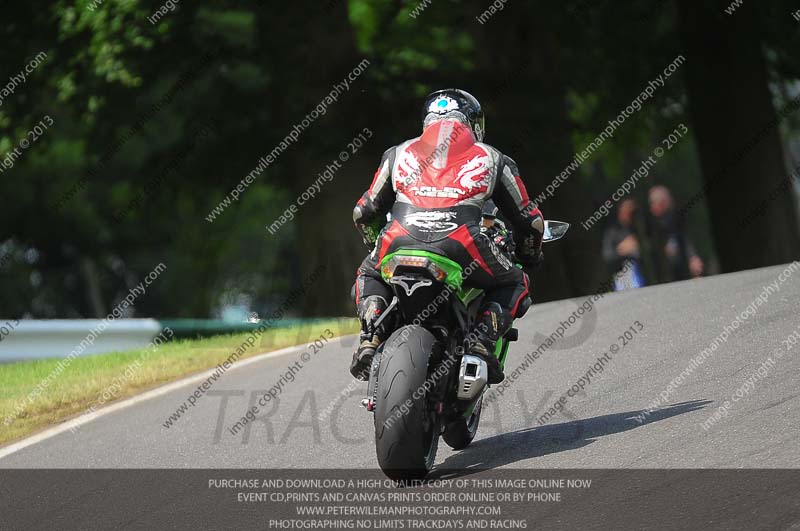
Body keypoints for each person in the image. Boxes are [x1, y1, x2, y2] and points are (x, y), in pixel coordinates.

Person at [350, 89, 545, 384]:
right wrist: (528, 255)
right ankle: (482, 339)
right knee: (515, 281)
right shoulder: (493, 158)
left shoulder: (397, 153)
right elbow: (531, 222)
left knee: (369, 273)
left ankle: (372, 333)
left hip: (398, 239)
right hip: (463, 245)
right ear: (474, 123)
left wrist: (374, 241)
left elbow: (363, 212)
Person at [647, 185, 704, 282]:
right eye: (652, 203)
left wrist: (693, 257)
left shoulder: (676, 220)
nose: (651, 207)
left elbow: (686, 241)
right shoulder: (649, 226)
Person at [602, 198, 646, 290]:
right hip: (622, 276)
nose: (630, 215)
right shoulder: (612, 231)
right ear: (620, 211)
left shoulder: (638, 228)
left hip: (641, 273)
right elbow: (607, 255)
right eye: (627, 211)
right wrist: (622, 250)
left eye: (633, 212)